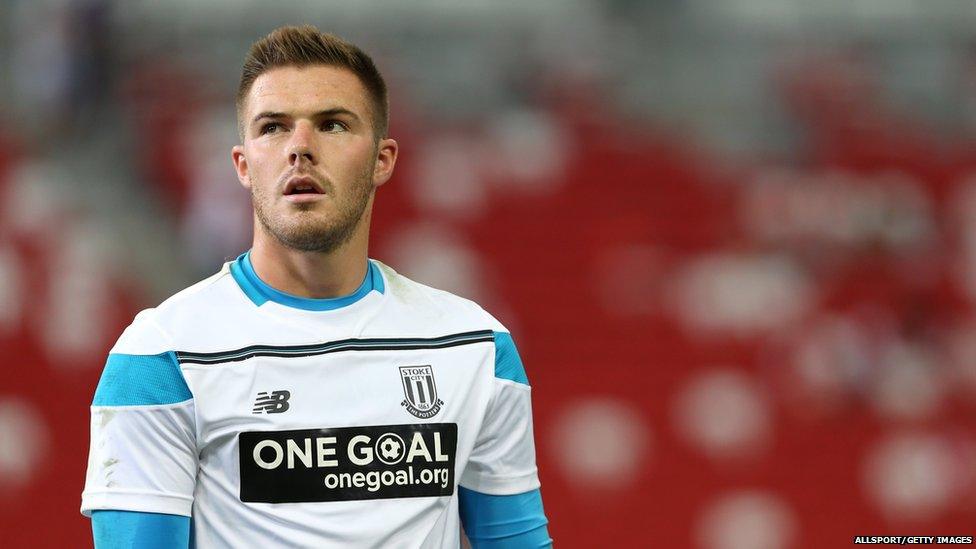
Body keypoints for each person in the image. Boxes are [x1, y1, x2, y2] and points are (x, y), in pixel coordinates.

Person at [81, 25, 552, 548]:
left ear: (382, 159)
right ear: (242, 164)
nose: (299, 148)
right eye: (273, 128)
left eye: (331, 125)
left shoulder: (476, 347)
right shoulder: (161, 356)